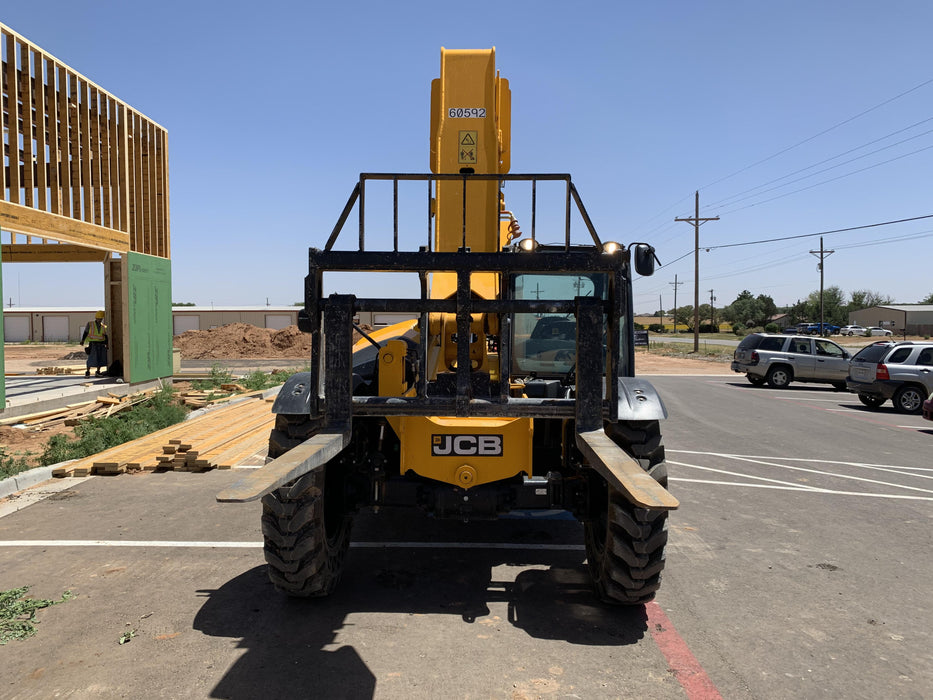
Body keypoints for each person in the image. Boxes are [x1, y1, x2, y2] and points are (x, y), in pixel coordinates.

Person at [81, 311, 109, 377]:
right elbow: (85, 332)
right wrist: (83, 340)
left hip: (101, 344)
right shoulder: (90, 324)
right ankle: (88, 372)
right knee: (91, 358)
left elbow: (106, 336)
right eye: (99, 318)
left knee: (100, 358)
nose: (99, 320)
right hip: (93, 344)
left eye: (101, 319)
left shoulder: (104, 326)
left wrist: (107, 344)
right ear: (96, 318)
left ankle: (98, 372)